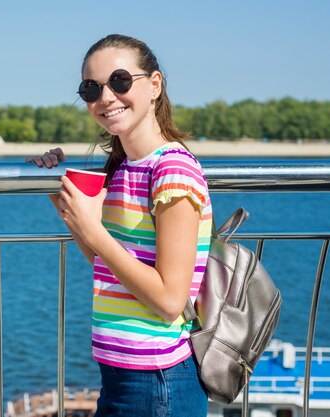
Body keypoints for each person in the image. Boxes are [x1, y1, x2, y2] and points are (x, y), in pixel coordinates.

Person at [27, 34, 212, 416]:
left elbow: (169, 300)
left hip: (158, 382)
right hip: (122, 377)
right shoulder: (127, 167)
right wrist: (59, 193)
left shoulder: (172, 170)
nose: (106, 97)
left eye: (120, 81)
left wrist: (93, 229)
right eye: (91, 88)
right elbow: (107, 264)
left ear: (155, 85)